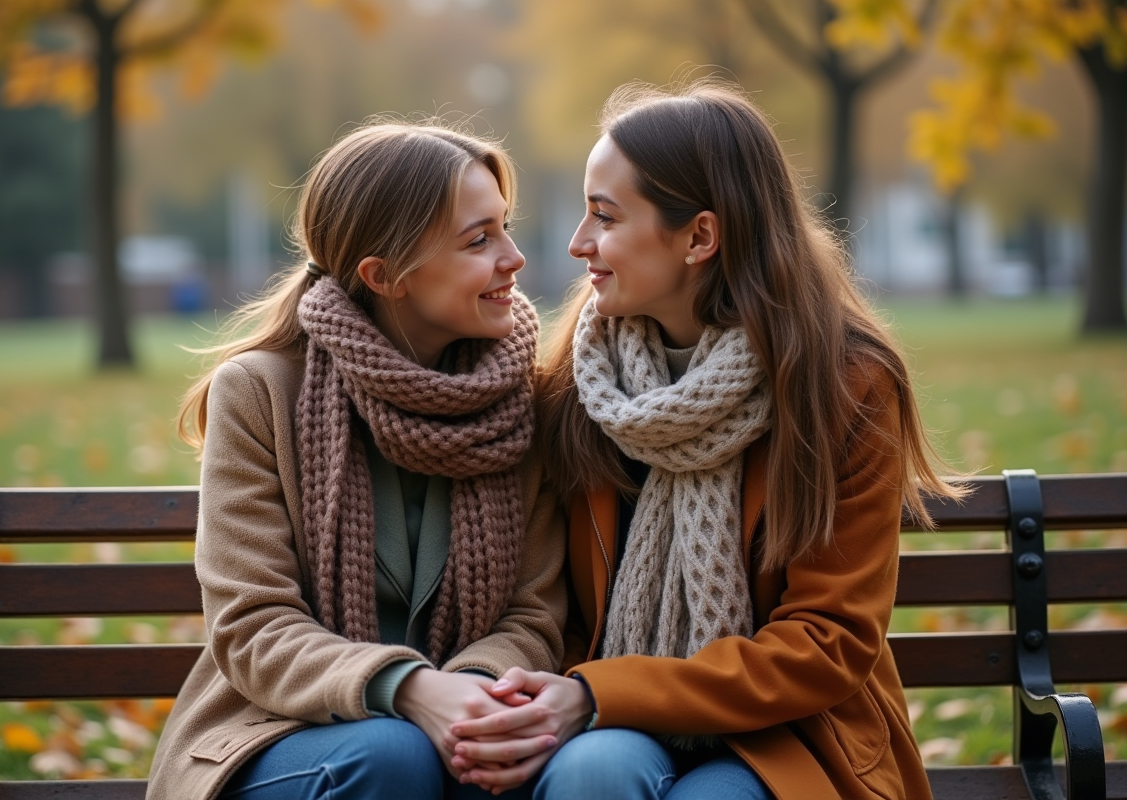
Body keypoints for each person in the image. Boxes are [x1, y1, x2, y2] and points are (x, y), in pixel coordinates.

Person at [447, 79, 964, 800]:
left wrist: (598, 694)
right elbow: (541, 592)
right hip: (600, 720)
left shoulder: (842, 386)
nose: (577, 243)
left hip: (794, 732)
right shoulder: (577, 379)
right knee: (592, 778)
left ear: (699, 237)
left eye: (605, 216)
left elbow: (825, 645)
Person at [146, 119, 567, 800]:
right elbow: (254, 627)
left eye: (506, 227)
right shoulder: (259, 393)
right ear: (385, 275)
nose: (514, 258)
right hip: (278, 736)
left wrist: (473, 698)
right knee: (395, 755)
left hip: (466, 737)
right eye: (479, 239)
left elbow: (535, 613)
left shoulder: (524, 402)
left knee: (506, 767)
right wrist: (408, 691)